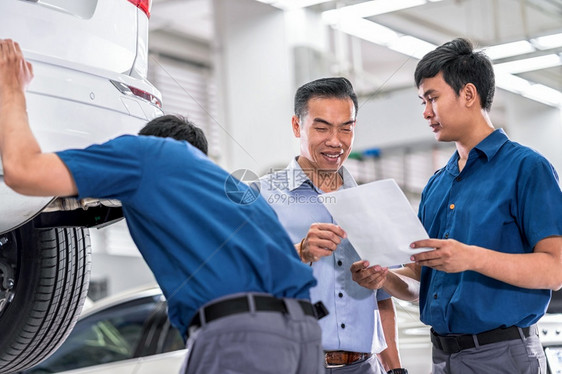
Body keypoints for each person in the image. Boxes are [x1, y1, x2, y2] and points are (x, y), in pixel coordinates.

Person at [0, 38, 324, 374]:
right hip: (305, 336)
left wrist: (11, 88)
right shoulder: (241, 195)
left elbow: (23, 172)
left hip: (240, 336)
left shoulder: (146, 154)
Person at [351, 38, 562, 374]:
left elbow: (554, 271)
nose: (425, 112)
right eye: (422, 101)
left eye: (432, 98)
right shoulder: (437, 185)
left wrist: (470, 257)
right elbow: (421, 280)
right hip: (444, 357)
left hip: (505, 356)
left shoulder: (526, 169)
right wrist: (384, 279)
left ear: (467, 94)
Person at [258, 77, 406, 374]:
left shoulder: (371, 202)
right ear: (297, 126)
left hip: (365, 367)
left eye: (346, 128)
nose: (335, 141)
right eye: (322, 127)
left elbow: (382, 301)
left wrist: (395, 370)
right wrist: (298, 252)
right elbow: (241, 278)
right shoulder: (261, 197)